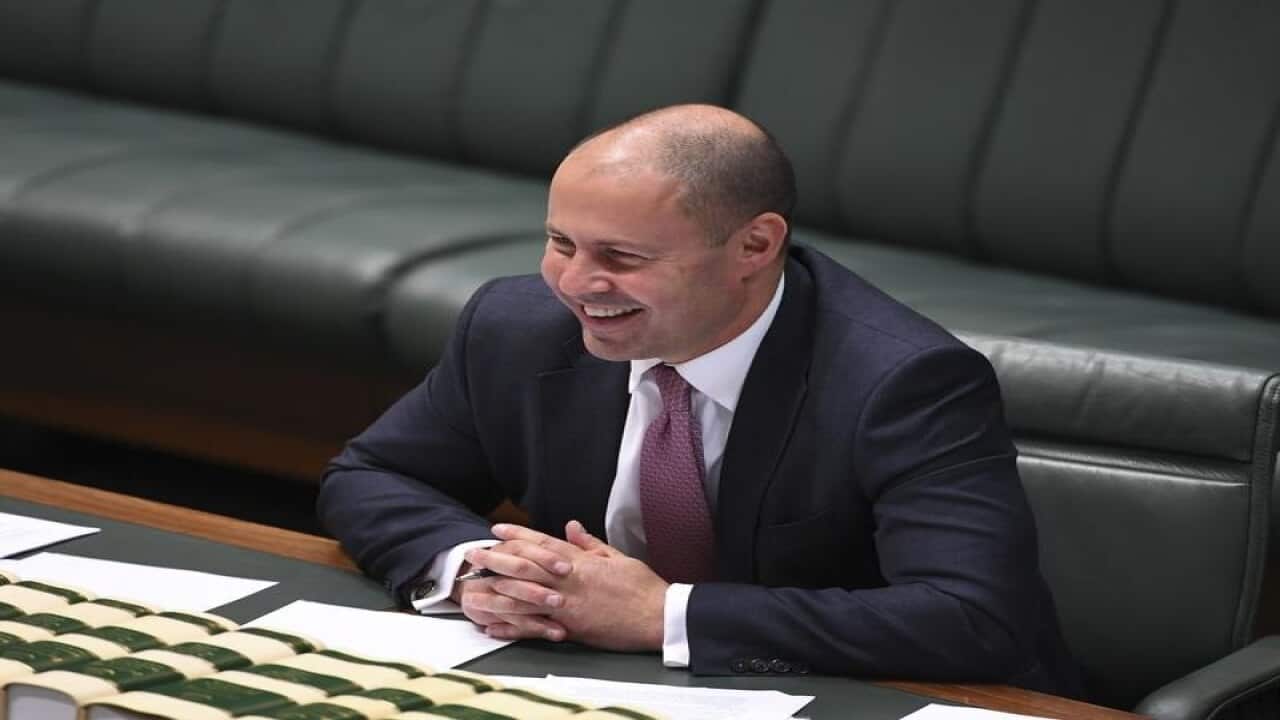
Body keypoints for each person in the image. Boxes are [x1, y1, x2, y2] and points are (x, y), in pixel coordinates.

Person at [318, 104, 1082, 697]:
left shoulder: (902, 382)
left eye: (622, 257)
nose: (575, 285)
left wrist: (662, 615)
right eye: (561, 243)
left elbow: (973, 618)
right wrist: (480, 570)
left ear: (754, 246)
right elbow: (372, 475)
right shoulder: (516, 327)